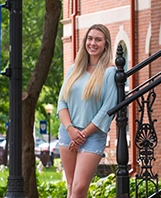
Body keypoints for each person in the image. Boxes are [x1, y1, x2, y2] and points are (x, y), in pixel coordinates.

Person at [56, 24, 118, 198]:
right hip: (68, 133)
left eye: (98, 39)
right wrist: (71, 130)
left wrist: (81, 135)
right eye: (90, 38)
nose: (93, 43)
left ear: (105, 44)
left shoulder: (109, 72)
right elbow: (62, 103)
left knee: (79, 187)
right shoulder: (74, 69)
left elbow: (107, 109)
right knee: (71, 186)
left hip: (92, 135)